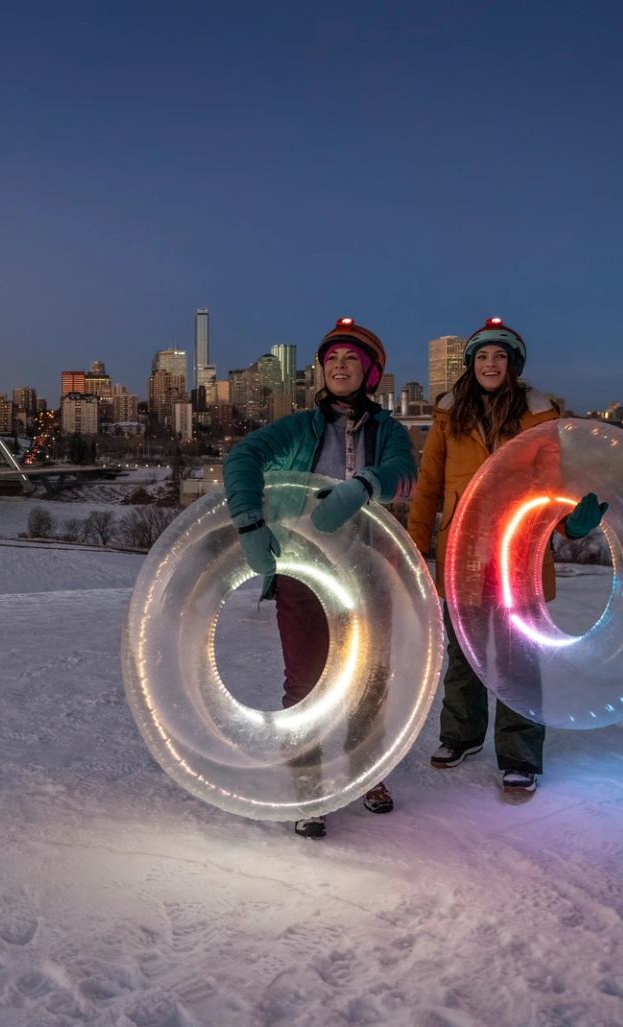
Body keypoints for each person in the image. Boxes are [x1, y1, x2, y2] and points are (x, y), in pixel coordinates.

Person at [223, 317, 418, 838]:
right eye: (331, 358)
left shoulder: (388, 431)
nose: (339, 365)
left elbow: (405, 473)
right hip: (304, 570)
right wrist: (249, 521)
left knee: (370, 679)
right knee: (304, 681)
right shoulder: (297, 429)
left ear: (371, 372)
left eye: (351, 358)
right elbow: (243, 457)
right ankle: (309, 788)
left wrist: (366, 486)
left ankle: (365, 773)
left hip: (370, 568)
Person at [407, 317, 605, 797]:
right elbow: (430, 485)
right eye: (481, 356)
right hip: (462, 554)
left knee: (518, 659)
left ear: (513, 365)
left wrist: (567, 524)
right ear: (470, 365)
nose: (490, 364)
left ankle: (519, 757)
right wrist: (417, 545)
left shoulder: (539, 421)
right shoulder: (448, 417)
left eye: (499, 356)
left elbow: (550, 488)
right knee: (463, 654)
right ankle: (461, 735)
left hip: (517, 555)